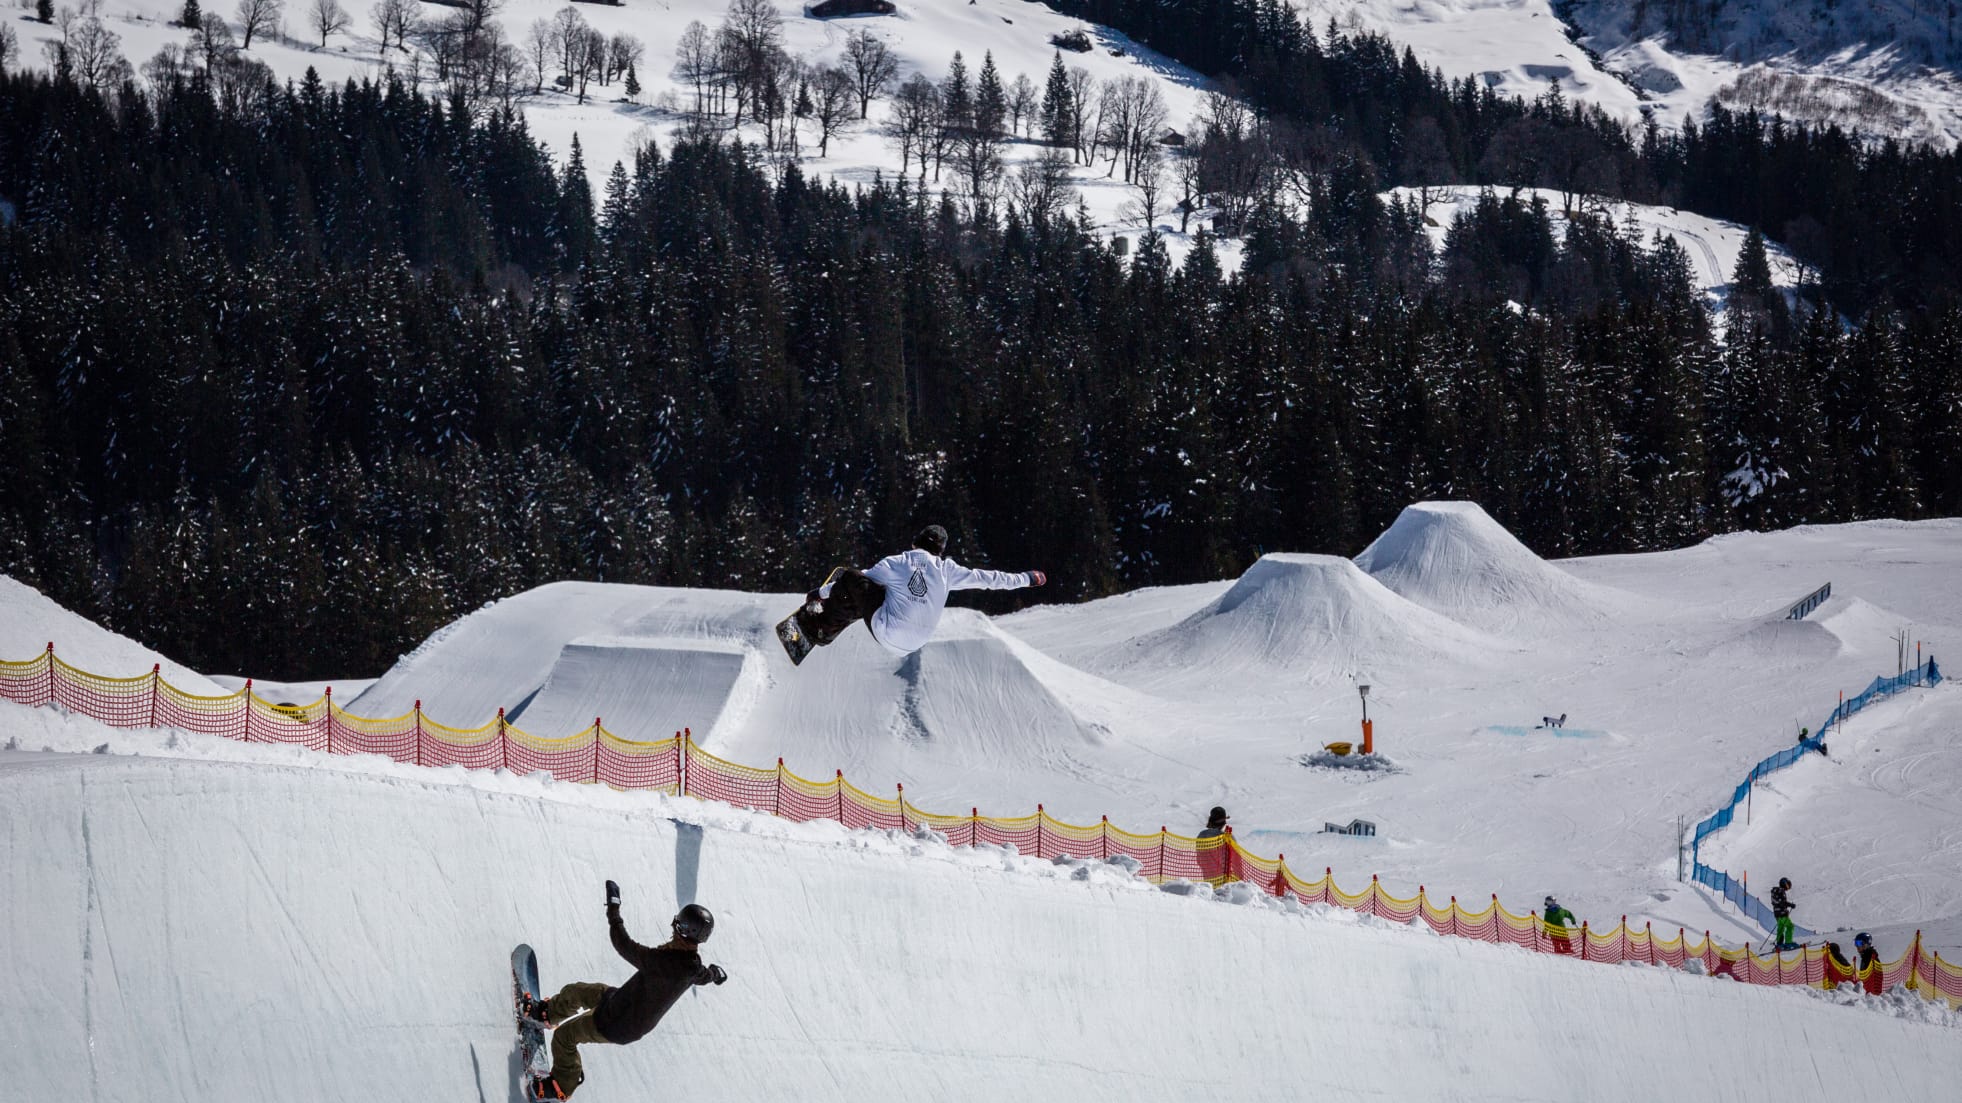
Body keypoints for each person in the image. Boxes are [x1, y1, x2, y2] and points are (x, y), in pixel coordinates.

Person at [522, 882, 728, 1100]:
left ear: (683, 930)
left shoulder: (663, 962)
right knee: (577, 992)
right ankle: (547, 1013)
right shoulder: (692, 965)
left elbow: (623, 944)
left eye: (679, 923)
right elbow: (703, 975)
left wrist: (614, 909)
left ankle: (560, 1087)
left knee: (565, 1037)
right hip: (621, 1000)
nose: (674, 925)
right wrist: (715, 974)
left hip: (619, 1023)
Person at [796, 525, 1045, 657]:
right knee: (882, 593)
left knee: (852, 579)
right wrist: (1026, 578)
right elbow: (989, 579)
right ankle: (851, 611)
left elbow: (862, 577)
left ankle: (821, 630)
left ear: (915, 542)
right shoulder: (947, 570)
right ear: (940, 551)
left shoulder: (899, 562)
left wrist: (820, 593)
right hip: (915, 644)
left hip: (888, 632)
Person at [1770, 877, 1797, 951]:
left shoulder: (1775, 892)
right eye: (1787, 885)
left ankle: (1779, 944)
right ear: (1784, 884)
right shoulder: (1781, 891)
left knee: (1781, 928)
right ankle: (1788, 943)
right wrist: (1791, 905)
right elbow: (1783, 903)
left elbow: (1776, 903)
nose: (1788, 887)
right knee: (1790, 926)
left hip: (1777, 914)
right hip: (1782, 914)